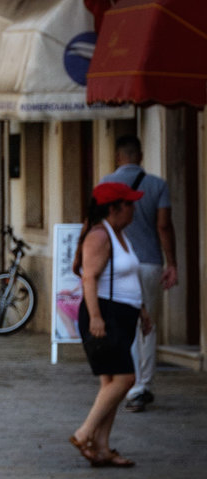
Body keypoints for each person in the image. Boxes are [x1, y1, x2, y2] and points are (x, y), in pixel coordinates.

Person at [70, 182, 151, 469]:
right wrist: (95, 317)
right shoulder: (100, 235)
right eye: (129, 204)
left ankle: (102, 447)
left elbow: (128, 276)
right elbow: (88, 278)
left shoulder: (119, 234)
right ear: (114, 207)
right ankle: (85, 433)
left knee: (110, 382)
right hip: (106, 314)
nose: (134, 208)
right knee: (126, 380)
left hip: (123, 314)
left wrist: (141, 309)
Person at [101, 135, 178, 412]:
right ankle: (143, 385)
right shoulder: (158, 185)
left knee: (123, 324)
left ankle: (125, 382)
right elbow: (164, 226)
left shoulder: (104, 185)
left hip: (115, 266)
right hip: (149, 263)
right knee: (147, 326)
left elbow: (96, 225)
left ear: (118, 156)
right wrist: (172, 263)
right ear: (141, 155)